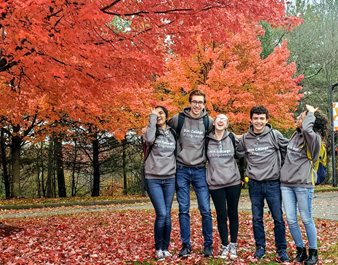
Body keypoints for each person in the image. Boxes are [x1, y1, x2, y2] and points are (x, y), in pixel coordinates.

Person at [237, 105, 290, 262]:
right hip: (254, 184)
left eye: (261, 118)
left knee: (278, 218)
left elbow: (290, 148)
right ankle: (260, 247)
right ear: (251, 120)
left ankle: (282, 249)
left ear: (267, 120)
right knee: (257, 218)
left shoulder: (275, 135)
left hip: (273, 183)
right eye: (255, 118)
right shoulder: (246, 138)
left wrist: (285, 168)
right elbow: (237, 153)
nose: (258, 121)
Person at [167, 89, 214, 257]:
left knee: (205, 209)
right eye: (194, 101)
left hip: (200, 169)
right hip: (181, 170)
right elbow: (162, 129)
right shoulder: (177, 119)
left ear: (204, 104)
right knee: (183, 209)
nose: (197, 105)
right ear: (189, 102)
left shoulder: (208, 121)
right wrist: (147, 129)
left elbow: (221, 135)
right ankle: (186, 245)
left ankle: (208, 245)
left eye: (200, 102)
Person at [280, 105, 328, 265]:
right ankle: (300, 250)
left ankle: (313, 253)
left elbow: (308, 130)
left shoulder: (314, 139)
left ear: (310, 121)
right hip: (286, 183)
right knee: (291, 219)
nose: (297, 119)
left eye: (301, 117)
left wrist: (311, 113)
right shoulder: (295, 135)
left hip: (303, 184)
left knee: (306, 219)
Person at [205, 114, 242, 259]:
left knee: (233, 213)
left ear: (227, 124)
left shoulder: (232, 138)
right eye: (218, 119)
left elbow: (241, 153)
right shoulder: (207, 140)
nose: (220, 121)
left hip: (233, 182)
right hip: (215, 184)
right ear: (213, 123)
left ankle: (233, 244)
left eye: (224, 120)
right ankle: (225, 245)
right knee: (221, 216)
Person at [143, 106, 176, 261]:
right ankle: (158, 249)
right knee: (161, 214)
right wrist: (151, 118)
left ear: (166, 116)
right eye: (155, 114)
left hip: (170, 178)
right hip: (153, 178)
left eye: (161, 113)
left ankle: (165, 248)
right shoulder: (150, 131)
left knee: (167, 215)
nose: (158, 116)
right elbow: (148, 140)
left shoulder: (172, 133)